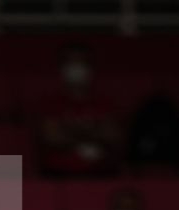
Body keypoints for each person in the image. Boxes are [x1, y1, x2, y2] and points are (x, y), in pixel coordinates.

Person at [38, 46, 120, 177]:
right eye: (71, 62)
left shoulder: (105, 104)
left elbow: (112, 135)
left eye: (81, 62)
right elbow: (53, 138)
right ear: (62, 68)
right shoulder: (50, 104)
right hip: (59, 175)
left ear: (90, 68)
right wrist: (92, 134)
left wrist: (71, 133)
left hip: (102, 174)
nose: (76, 67)